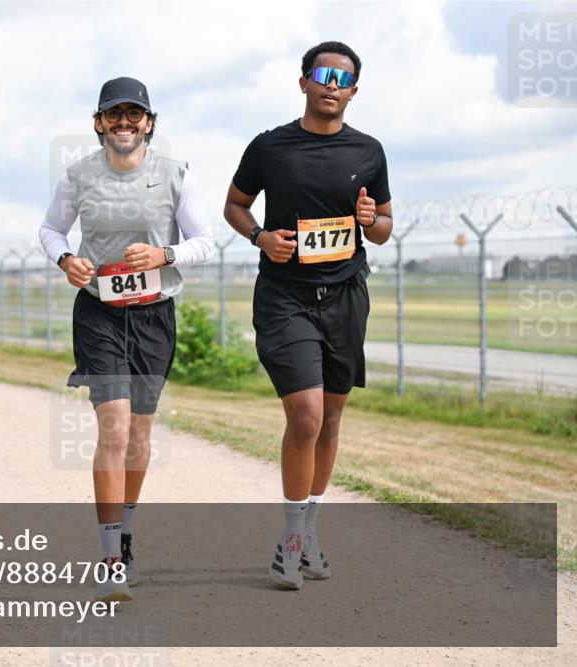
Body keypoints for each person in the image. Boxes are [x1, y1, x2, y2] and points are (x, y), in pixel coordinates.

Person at [223, 41, 393, 590]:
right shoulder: (271, 147)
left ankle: (309, 532)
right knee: (306, 418)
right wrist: (260, 237)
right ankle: (290, 544)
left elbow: (386, 225)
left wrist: (371, 220)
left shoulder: (369, 151)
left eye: (342, 78)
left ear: (353, 92)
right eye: (322, 74)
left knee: (332, 422)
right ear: (303, 83)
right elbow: (235, 204)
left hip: (345, 297)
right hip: (285, 297)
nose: (331, 84)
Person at [39, 77, 215, 602]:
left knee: (139, 435)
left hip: (154, 316)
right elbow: (50, 230)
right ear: (98, 124)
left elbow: (205, 241)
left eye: (133, 115)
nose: (124, 123)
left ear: (149, 123)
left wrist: (166, 256)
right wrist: (66, 259)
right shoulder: (77, 176)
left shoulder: (175, 175)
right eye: (113, 115)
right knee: (113, 427)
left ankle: (127, 533)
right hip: (99, 312)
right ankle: (110, 554)